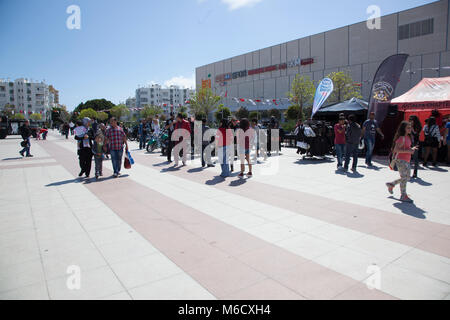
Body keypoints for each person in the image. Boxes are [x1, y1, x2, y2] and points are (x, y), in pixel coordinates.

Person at [386, 121, 418, 203]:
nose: (410, 129)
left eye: (410, 127)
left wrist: (412, 149)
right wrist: (409, 150)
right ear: (403, 129)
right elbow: (396, 150)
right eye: (408, 127)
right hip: (401, 160)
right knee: (404, 177)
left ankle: (392, 184)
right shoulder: (401, 138)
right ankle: (403, 195)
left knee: (406, 177)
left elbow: (406, 148)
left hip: (406, 160)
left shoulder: (408, 137)